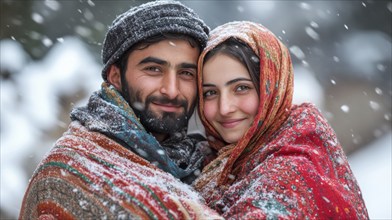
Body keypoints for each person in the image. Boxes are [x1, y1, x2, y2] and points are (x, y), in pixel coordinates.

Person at [19, 1, 222, 219]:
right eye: (153, 69)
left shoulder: (209, 163)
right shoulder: (68, 170)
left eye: (186, 73)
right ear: (115, 76)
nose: (171, 90)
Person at [193, 21, 369, 219]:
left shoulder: (291, 173)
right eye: (210, 93)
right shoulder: (210, 162)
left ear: (272, 89)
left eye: (241, 88)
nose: (224, 108)